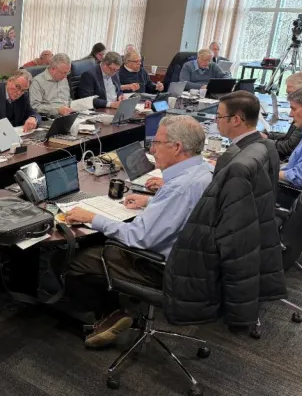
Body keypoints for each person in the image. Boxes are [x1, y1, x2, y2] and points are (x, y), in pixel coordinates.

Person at [64, 115, 213, 348]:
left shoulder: (179, 188)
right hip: (193, 264)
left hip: (160, 267)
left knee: (77, 259)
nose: (152, 150)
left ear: (177, 147)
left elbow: (138, 237)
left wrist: (92, 218)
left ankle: (110, 313)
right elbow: (181, 210)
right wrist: (150, 202)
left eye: (157, 143)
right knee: (100, 242)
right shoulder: (203, 170)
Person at [163, 91, 286, 328]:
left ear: (236, 119)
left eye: (218, 116)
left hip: (198, 257)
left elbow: (224, 225)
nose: (215, 121)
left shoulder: (237, 166)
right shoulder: (265, 145)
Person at [262, 71, 302, 159]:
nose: (288, 98)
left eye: (291, 93)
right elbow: (289, 137)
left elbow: (288, 148)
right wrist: (268, 136)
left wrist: (264, 141)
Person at [29, 53, 72, 117]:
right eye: (63, 73)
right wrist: (57, 110)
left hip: (68, 113)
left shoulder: (63, 78)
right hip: (51, 116)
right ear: (52, 69)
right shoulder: (37, 82)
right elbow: (35, 107)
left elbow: (67, 99)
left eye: (67, 72)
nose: (65, 76)